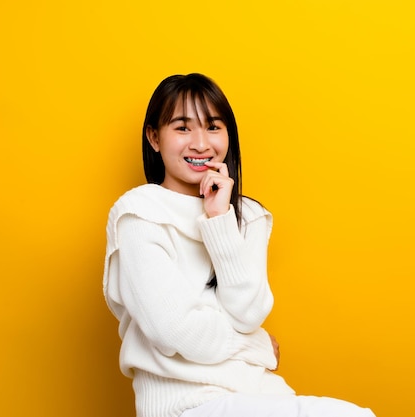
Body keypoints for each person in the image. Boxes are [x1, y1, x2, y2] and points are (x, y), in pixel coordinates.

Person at [103, 73, 376, 417]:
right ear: (154, 138)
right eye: (183, 128)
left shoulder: (249, 216)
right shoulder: (139, 214)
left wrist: (219, 220)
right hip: (186, 407)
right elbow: (174, 330)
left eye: (213, 127)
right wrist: (258, 344)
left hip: (261, 395)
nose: (201, 143)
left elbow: (248, 312)